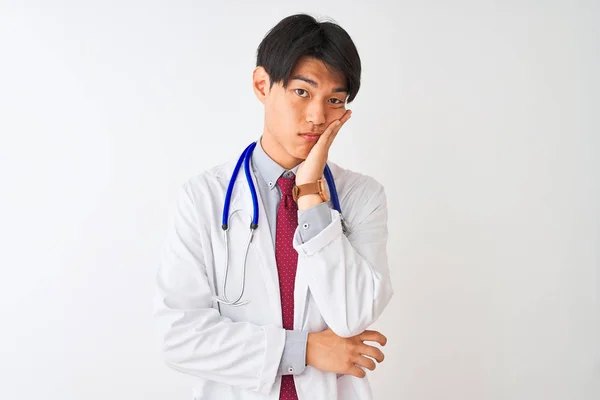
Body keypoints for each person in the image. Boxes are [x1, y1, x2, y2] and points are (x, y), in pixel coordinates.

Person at [154, 13, 394, 400]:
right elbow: (179, 336)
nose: (318, 116)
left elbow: (352, 314)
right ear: (262, 84)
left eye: (334, 100)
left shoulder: (361, 197)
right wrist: (305, 349)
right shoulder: (203, 198)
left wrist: (312, 196)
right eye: (303, 92)